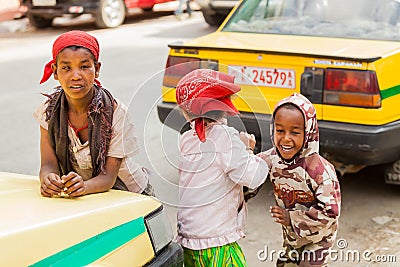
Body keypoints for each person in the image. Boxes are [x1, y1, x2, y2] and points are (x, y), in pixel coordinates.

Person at [34, 30, 154, 198]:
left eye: (84, 67)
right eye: (66, 68)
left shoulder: (115, 113)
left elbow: (108, 177)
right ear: (55, 71)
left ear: (96, 69)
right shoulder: (48, 111)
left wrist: (83, 186)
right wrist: (48, 179)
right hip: (86, 196)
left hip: (129, 193)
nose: (75, 76)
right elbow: (48, 163)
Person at [174, 69, 269, 266]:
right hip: (217, 241)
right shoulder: (225, 137)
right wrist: (249, 150)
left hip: (189, 237)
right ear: (225, 107)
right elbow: (252, 177)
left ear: (185, 111)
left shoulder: (186, 139)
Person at [258, 93, 341, 266]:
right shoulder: (272, 158)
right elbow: (248, 174)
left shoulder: (320, 171)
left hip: (319, 239)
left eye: (294, 132)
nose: (286, 138)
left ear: (309, 133)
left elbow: (330, 212)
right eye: (280, 131)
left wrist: (292, 218)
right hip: (293, 238)